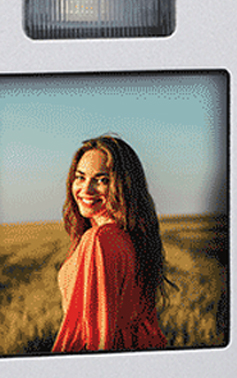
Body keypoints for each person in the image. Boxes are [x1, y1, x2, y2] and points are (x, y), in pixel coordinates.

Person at [52, 135, 170, 353]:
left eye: (102, 180)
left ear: (123, 185)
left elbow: (99, 338)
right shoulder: (128, 236)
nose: (86, 189)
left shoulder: (100, 240)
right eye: (80, 177)